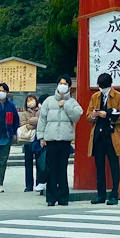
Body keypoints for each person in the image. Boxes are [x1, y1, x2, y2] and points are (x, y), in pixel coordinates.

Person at [37, 76, 83, 207]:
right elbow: (42, 119)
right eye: (60, 83)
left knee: (62, 168)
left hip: (65, 139)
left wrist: (66, 105)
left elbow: (77, 116)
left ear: (69, 87)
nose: (62, 85)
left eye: (65, 84)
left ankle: (63, 197)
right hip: (50, 139)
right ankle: (51, 197)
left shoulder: (72, 102)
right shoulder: (48, 101)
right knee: (52, 169)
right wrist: (41, 136)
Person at [86, 72, 120, 205]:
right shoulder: (95, 97)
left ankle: (114, 194)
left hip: (112, 134)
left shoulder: (119, 97)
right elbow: (88, 116)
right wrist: (93, 115)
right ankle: (101, 194)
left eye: (104, 86)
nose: (101, 89)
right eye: (100, 86)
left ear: (109, 85)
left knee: (114, 165)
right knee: (99, 166)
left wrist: (108, 115)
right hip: (98, 135)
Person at [19, 94, 41, 192]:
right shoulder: (24, 113)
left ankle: (39, 182)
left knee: (39, 163)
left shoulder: (41, 111)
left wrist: (33, 122)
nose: (30, 101)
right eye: (28, 100)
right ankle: (29, 185)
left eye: (32, 99)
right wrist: (32, 124)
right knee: (28, 163)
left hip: (38, 139)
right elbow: (24, 125)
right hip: (28, 140)